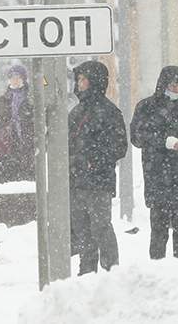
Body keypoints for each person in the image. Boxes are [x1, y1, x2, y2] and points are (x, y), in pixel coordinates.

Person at [131, 66, 178, 260]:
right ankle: (158, 266)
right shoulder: (146, 107)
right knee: (159, 228)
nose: (176, 90)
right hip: (157, 175)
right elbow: (137, 137)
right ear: (163, 85)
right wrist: (164, 140)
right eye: (173, 85)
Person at [68, 61, 127, 275]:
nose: (79, 83)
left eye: (83, 79)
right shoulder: (76, 112)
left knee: (101, 227)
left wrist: (94, 159)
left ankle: (112, 270)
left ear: (94, 82)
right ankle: (87, 272)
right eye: (78, 79)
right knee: (83, 231)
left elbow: (119, 147)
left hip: (98, 182)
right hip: (76, 182)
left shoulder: (109, 112)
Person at [0, 64, 35, 184]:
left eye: (18, 76)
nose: (15, 79)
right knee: (6, 177)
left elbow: (38, 121)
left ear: (23, 78)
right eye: (12, 77)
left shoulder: (31, 97)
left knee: (27, 178)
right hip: (7, 144)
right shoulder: (4, 99)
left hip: (26, 143)